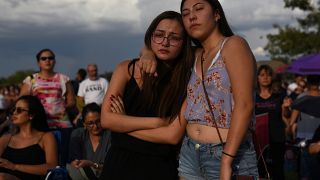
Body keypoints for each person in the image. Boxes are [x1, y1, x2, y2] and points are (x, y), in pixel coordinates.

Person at [140, 0, 258, 179]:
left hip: (229, 152)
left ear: (217, 14)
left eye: (199, 9)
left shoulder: (233, 45)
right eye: (185, 13)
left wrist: (227, 160)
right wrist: (147, 51)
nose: (191, 17)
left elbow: (245, 104)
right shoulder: (194, 55)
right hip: (190, 153)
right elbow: (160, 48)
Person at [100, 11, 193, 180]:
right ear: (150, 37)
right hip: (119, 164)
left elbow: (172, 136)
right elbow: (107, 120)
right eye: (159, 35)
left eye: (174, 38)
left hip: (159, 167)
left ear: (184, 43)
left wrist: (123, 125)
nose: (165, 42)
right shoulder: (126, 69)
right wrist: (158, 122)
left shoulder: (187, 79)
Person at [19, 48, 76, 166]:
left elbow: (72, 102)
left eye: (50, 58)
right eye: (43, 58)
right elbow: (22, 102)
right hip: (39, 125)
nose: (47, 60)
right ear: (38, 62)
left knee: (63, 159)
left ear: (54, 61)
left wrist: (62, 107)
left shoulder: (63, 79)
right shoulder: (31, 80)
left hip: (62, 124)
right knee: (41, 159)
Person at [0, 95, 57, 180]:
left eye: (19, 110)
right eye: (13, 110)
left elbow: (52, 167)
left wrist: (15, 166)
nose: (14, 113)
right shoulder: (6, 138)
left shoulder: (46, 137)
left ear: (31, 115)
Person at [255, 65, 288, 179]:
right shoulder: (252, 95)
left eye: (269, 75)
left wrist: (286, 108)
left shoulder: (280, 94)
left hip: (277, 138)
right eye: (262, 75)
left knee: (277, 170)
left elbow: (286, 116)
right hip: (258, 139)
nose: (265, 78)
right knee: (259, 170)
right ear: (257, 77)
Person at [287, 75, 320, 179]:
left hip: (304, 138)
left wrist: (290, 132)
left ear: (308, 83)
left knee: (306, 172)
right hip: (315, 139)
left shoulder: (301, 98)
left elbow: (292, 121)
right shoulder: (302, 97)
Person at [67, 103, 111, 180]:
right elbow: (73, 162)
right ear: (84, 124)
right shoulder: (78, 135)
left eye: (98, 121)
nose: (95, 126)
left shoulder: (110, 135)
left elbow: (113, 167)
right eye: (90, 123)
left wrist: (92, 165)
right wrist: (75, 163)